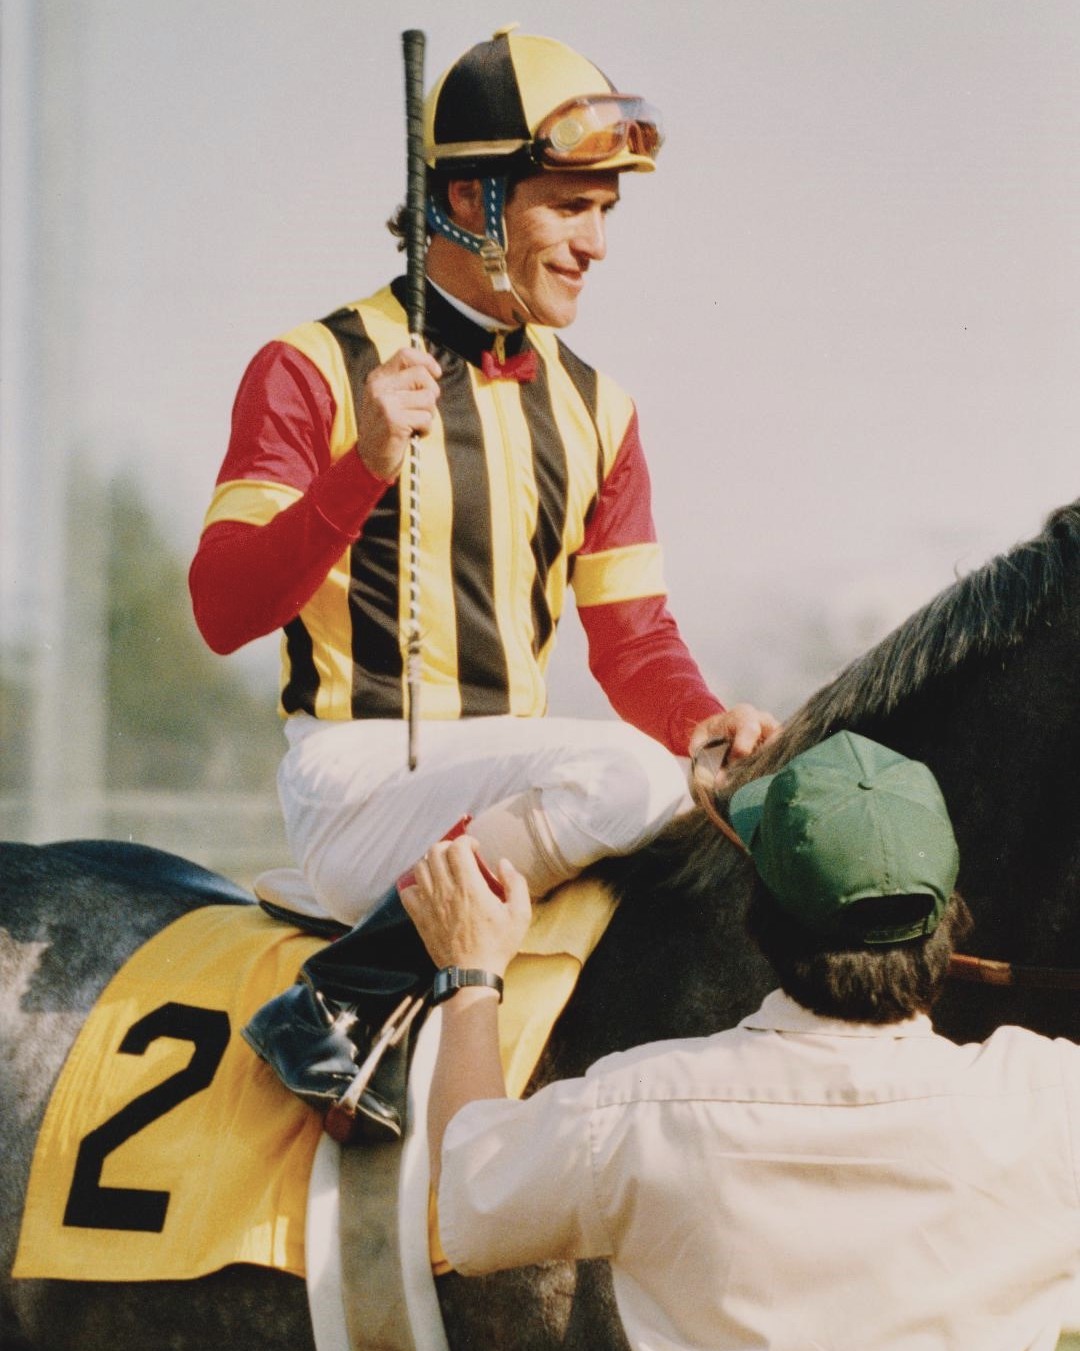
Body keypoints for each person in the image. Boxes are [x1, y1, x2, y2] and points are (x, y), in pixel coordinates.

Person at [189, 25, 778, 1136]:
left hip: (505, 790)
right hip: (359, 783)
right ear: (473, 196)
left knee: (673, 786)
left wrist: (705, 729)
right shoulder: (311, 367)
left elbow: (634, 638)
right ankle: (336, 995)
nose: (597, 242)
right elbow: (221, 609)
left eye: (608, 209)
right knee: (624, 774)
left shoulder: (601, 407)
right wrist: (359, 466)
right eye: (569, 205)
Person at [405, 730, 1080, 1350]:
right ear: (946, 922)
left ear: (759, 922)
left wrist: (471, 973)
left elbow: (473, 1187)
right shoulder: (1053, 1103)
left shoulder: (639, 1110)